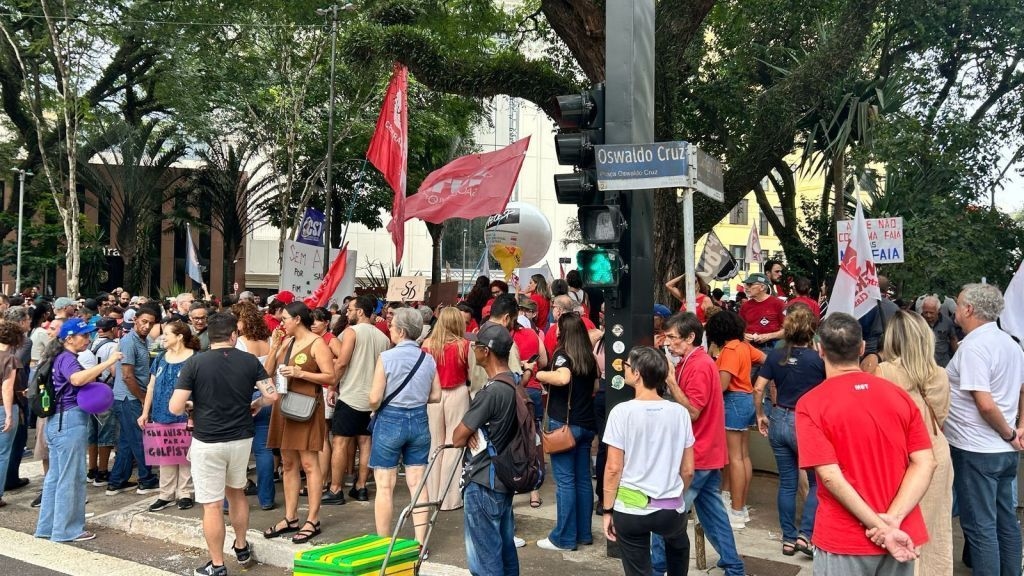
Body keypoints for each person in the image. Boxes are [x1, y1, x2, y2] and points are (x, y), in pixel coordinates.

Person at [796, 313, 936, 574]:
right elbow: (926, 462)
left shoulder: (811, 404)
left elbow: (829, 477)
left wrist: (882, 526)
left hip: (846, 536)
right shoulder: (898, 396)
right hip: (900, 529)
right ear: (861, 348)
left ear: (819, 350)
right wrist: (892, 521)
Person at [169, 312, 279, 576]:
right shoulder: (250, 361)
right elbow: (272, 395)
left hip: (208, 440)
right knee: (237, 493)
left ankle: (217, 565)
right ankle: (241, 547)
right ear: (233, 335)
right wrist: (256, 403)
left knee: (212, 505)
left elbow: (174, 407)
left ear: (210, 335)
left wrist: (192, 405)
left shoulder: (196, 363)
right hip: (241, 439)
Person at [656, 312, 745, 576]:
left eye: (673, 338)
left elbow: (693, 410)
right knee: (713, 515)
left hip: (698, 455)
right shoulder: (692, 361)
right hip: (705, 452)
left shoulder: (699, 365)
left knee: (665, 514)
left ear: (691, 337)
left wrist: (670, 380)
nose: (669, 343)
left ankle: (658, 567)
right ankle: (733, 565)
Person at [945, 283, 1024, 575]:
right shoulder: (1010, 343)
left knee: (981, 528)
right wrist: (1018, 428)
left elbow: (985, 404)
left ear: (968, 309)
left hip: (977, 449)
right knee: (1006, 521)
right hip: (1001, 451)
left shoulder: (976, 347)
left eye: (958, 303)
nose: (955, 309)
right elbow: (1021, 388)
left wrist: (1009, 432)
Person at [873, 311, 952, 576]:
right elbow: (940, 417)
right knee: (934, 528)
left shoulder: (883, 372)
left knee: (898, 530)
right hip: (936, 454)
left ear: (892, 338)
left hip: (902, 458)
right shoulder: (940, 374)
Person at [603, 346, 694, 576]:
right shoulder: (680, 413)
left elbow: (613, 468)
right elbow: (688, 470)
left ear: (637, 374)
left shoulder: (621, 412)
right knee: (679, 550)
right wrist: (675, 494)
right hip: (671, 507)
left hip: (631, 506)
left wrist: (607, 509)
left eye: (626, 365)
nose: (623, 368)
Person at [35, 320, 123, 543]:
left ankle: (48, 527)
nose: (88, 338)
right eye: (83, 335)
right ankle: (67, 530)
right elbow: (76, 379)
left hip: (58, 422)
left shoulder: (57, 357)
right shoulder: (67, 358)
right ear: (69, 338)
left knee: (55, 478)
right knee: (71, 478)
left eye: (88, 334)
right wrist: (109, 362)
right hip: (69, 421)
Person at [753, 304, 824, 556]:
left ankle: (788, 538)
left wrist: (761, 414)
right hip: (807, 422)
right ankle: (807, 534)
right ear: (811, 330)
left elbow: (759, 387)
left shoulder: (775, 355)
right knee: (817, 482)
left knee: (787, 483)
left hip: (779, 416)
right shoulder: (818, 360)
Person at [452, 322, 521, 575]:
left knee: (485, 560)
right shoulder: (515, 383)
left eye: (476, 345)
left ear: (486, 351)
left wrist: (473, 430)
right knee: (505, 550)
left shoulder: (491, 392)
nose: (472, 349)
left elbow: (459, 436)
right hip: (503, 478)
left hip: (484, 480)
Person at [369, 308, 441, 544]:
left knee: (385, 484)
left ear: (400, 331)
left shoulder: (387, 358)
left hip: (390, 420)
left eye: (391, 326)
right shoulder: (427, 358)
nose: (389, 329)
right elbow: (436, 395)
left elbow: (374, 398)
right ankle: (421, 543)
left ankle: (383, 543)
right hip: (419, 420)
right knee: (418, 482)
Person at [264, 302, 334, 544]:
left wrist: (300, 373)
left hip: (306, 409)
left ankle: (312, 519)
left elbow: (331, 376)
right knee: (288, 463)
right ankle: (290, 517)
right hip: (284, 406)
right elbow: (268, 371)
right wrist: (273, 349)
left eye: (284, 318)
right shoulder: (286, 342)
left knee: (309, 463)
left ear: (297, 319)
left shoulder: (318, 343)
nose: (281, 322)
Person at [535, 313, 599, 551]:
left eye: (559, 328)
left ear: (564, 332)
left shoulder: (563, 355)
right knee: (583, 480)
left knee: (565, 482)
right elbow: (593, 386)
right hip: (585, 425)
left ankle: (563, 537)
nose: (556, 331)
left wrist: (540, 374)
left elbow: (562, 379)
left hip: (564, 425)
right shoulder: (588, 358)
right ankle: (583, 533)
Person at [326, 294, 391, 504]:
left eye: (351, 310)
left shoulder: (351, 332)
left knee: (340, 443)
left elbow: (342, 362)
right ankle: (361, 486)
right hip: (373, 398)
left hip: (351, 395)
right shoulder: (384, 338)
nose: (347, 313)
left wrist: (331, 384)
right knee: (366, 442)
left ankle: (336, 489)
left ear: (360, 311)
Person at [705, 309, 765, 528]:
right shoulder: (744, 346)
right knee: (743, 456)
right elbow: (766, 359)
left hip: (733, 402)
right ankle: (739, 506)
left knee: (734, 458)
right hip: (747, 400)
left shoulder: (729, 349)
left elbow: (721, 385)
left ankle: (736, 512)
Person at [139, 320, 200, 512]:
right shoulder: (160, 358)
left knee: (185, 456)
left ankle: (185, 493)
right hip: (160, 414)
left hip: (186, 415)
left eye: (167, 334)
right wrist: (145, 412)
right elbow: (151, 386)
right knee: (165, 456)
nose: (162, 338)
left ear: (180, 336)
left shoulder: (196, 359)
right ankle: (165, 494)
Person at [423, 307, 474, 511]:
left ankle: (433, 494)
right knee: (455, 444)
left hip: (433, 396)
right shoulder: (465, 345)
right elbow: (471, 375)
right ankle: (450, 498)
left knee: (435, 444)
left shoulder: (427, 345)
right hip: (458, 393)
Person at [106, 305, 161, 495]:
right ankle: (146, 479)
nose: (146, 326)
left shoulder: (144, 341)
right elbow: (127, 376)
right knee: (139, 439)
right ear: (135, 319)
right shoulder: (130, 341)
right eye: (144, 321)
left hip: (130, 397)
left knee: (127, 441)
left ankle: (117, 480)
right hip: (129, 398)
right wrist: (143, 398)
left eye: (151, 323)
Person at [231, 301, 275, 510]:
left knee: (236, 450)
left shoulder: (239, 343)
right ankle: (266, 499)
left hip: (244, 395)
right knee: (264, 451)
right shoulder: (269, 340)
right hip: (266, 393)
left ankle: (229, 500)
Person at [78, 317, 119, 487]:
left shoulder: (91, 344)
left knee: (92, 433)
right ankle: (103, 471)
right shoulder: (113, 346)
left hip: (88, 393)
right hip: (104, 390)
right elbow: (113, 371)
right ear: (112, 329)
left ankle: (92, 468)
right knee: (106, 433)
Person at [311, 306, 342, 493]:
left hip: (326, 389)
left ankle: (323, 480)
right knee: (321, 435)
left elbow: (341, 361)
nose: (313, 323)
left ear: (326, 323)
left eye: (317, 320)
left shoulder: (331, 340)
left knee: (323, 434)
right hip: (318, 388)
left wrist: (332, 386)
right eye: (312, 320)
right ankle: (324, 478)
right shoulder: (318, 339)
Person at [0, 320, 24, 507]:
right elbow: (7, 387)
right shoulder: (10, 358)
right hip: (3, 407)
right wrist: (9, 414)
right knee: (3, 453)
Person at [737, 272, 785, 352]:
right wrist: (743, 335)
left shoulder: (779, 304)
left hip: (772, 347)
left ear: (762, 287)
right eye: (746, 285)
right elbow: (738, 328)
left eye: (750, 285)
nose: (746, 288)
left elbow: (789, 329)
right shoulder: (745, 306)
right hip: (749, 347)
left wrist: (769, 336)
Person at [918, 295, 957, 367]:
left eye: (931, 312)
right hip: (922, 363)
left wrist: (957, 357)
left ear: (938, 310)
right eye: (925, 312)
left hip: (942, 363)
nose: (928, 315)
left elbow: (953, 339)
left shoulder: (947, 322)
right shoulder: (917, 322)